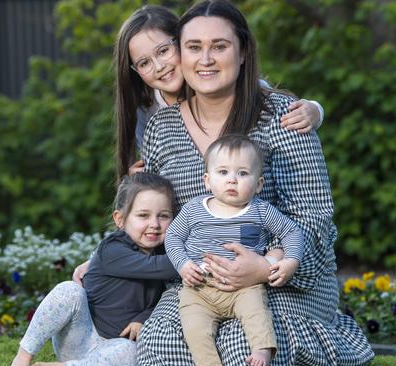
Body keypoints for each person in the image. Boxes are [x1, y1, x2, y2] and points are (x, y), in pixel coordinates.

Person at [137, 1, 375, 365]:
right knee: (163, 345)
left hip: (284, 278)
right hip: (201, 284)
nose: (206, 59)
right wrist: (105, 257)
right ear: (180, 54)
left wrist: (267, 267)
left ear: (243, 50)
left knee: (243, 346)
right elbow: (159, 218)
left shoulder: (284, 117)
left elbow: (314, 217)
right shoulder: (162, 128)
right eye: (194, 47)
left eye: (220, 46)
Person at [113, 5, 326, 180]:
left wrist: (315, 110)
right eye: (144, 63)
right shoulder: (150, 116)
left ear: (182, 42)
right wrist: (141, 183)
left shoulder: (227, 85)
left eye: (163, 51)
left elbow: (273, 101)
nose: (159, 66)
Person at [11, 173, 178, 366]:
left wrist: (142, 318)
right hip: (80, 337)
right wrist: (194, 256)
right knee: (69, 291)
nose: (155, 225)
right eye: (143, 215)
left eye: (163, 216)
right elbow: (156, 268)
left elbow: (158, 302)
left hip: (111, 351)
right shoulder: (112, 249)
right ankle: (23, 357)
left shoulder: (162, 254)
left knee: (130, 351)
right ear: (120, 219)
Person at [165, 134, 304, 366]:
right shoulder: (194, 209)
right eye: (223, 172)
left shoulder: (261, 210)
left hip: (244, 287)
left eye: (242, 173)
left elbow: (292, 232)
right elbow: (173, 236)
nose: (232, 180)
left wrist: (291, 260)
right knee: (194, 329)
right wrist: (183, 264)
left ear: (259, 184)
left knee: (256, 313)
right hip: (200, 288)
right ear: (207, 180)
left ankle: (262, 350)